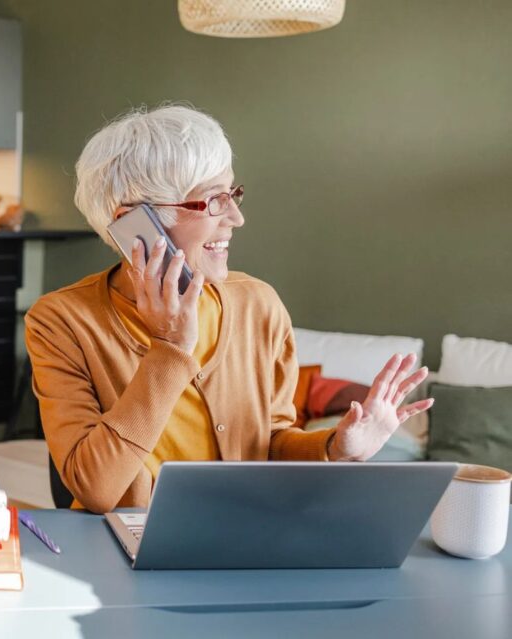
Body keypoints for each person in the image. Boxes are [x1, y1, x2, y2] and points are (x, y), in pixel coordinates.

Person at [24, 105, 433, 513]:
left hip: (246, 536)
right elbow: (95, 488)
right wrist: (170, 347)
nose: (236, 217)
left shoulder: (258, 304)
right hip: (122, 550)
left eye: (232, 194)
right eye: (213, 201)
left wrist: (335, 447)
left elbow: (269, 441)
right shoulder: (60, 321)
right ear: (135, 223)